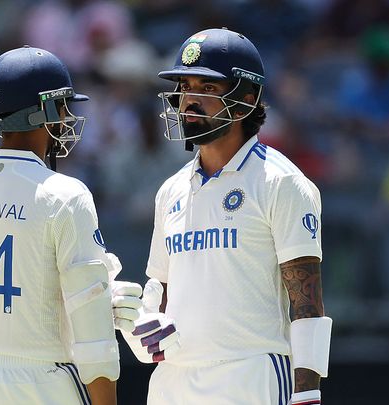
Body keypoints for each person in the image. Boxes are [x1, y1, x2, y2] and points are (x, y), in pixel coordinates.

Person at [122, 28, 333, 404]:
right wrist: (142, 326)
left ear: (245, 101)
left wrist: (308, 393)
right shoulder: (170, 190)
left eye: (206, 88)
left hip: (251, 375)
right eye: (185, 87)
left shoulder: (280, 182)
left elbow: (307, 302)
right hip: (174, 380)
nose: (189, 100)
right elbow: (160, 288)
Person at [0, 46, 143, 405]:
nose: (67, 118)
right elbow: (93, 335)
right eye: (63, 106)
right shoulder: (65, 194)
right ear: (45, 112)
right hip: (38, 381)